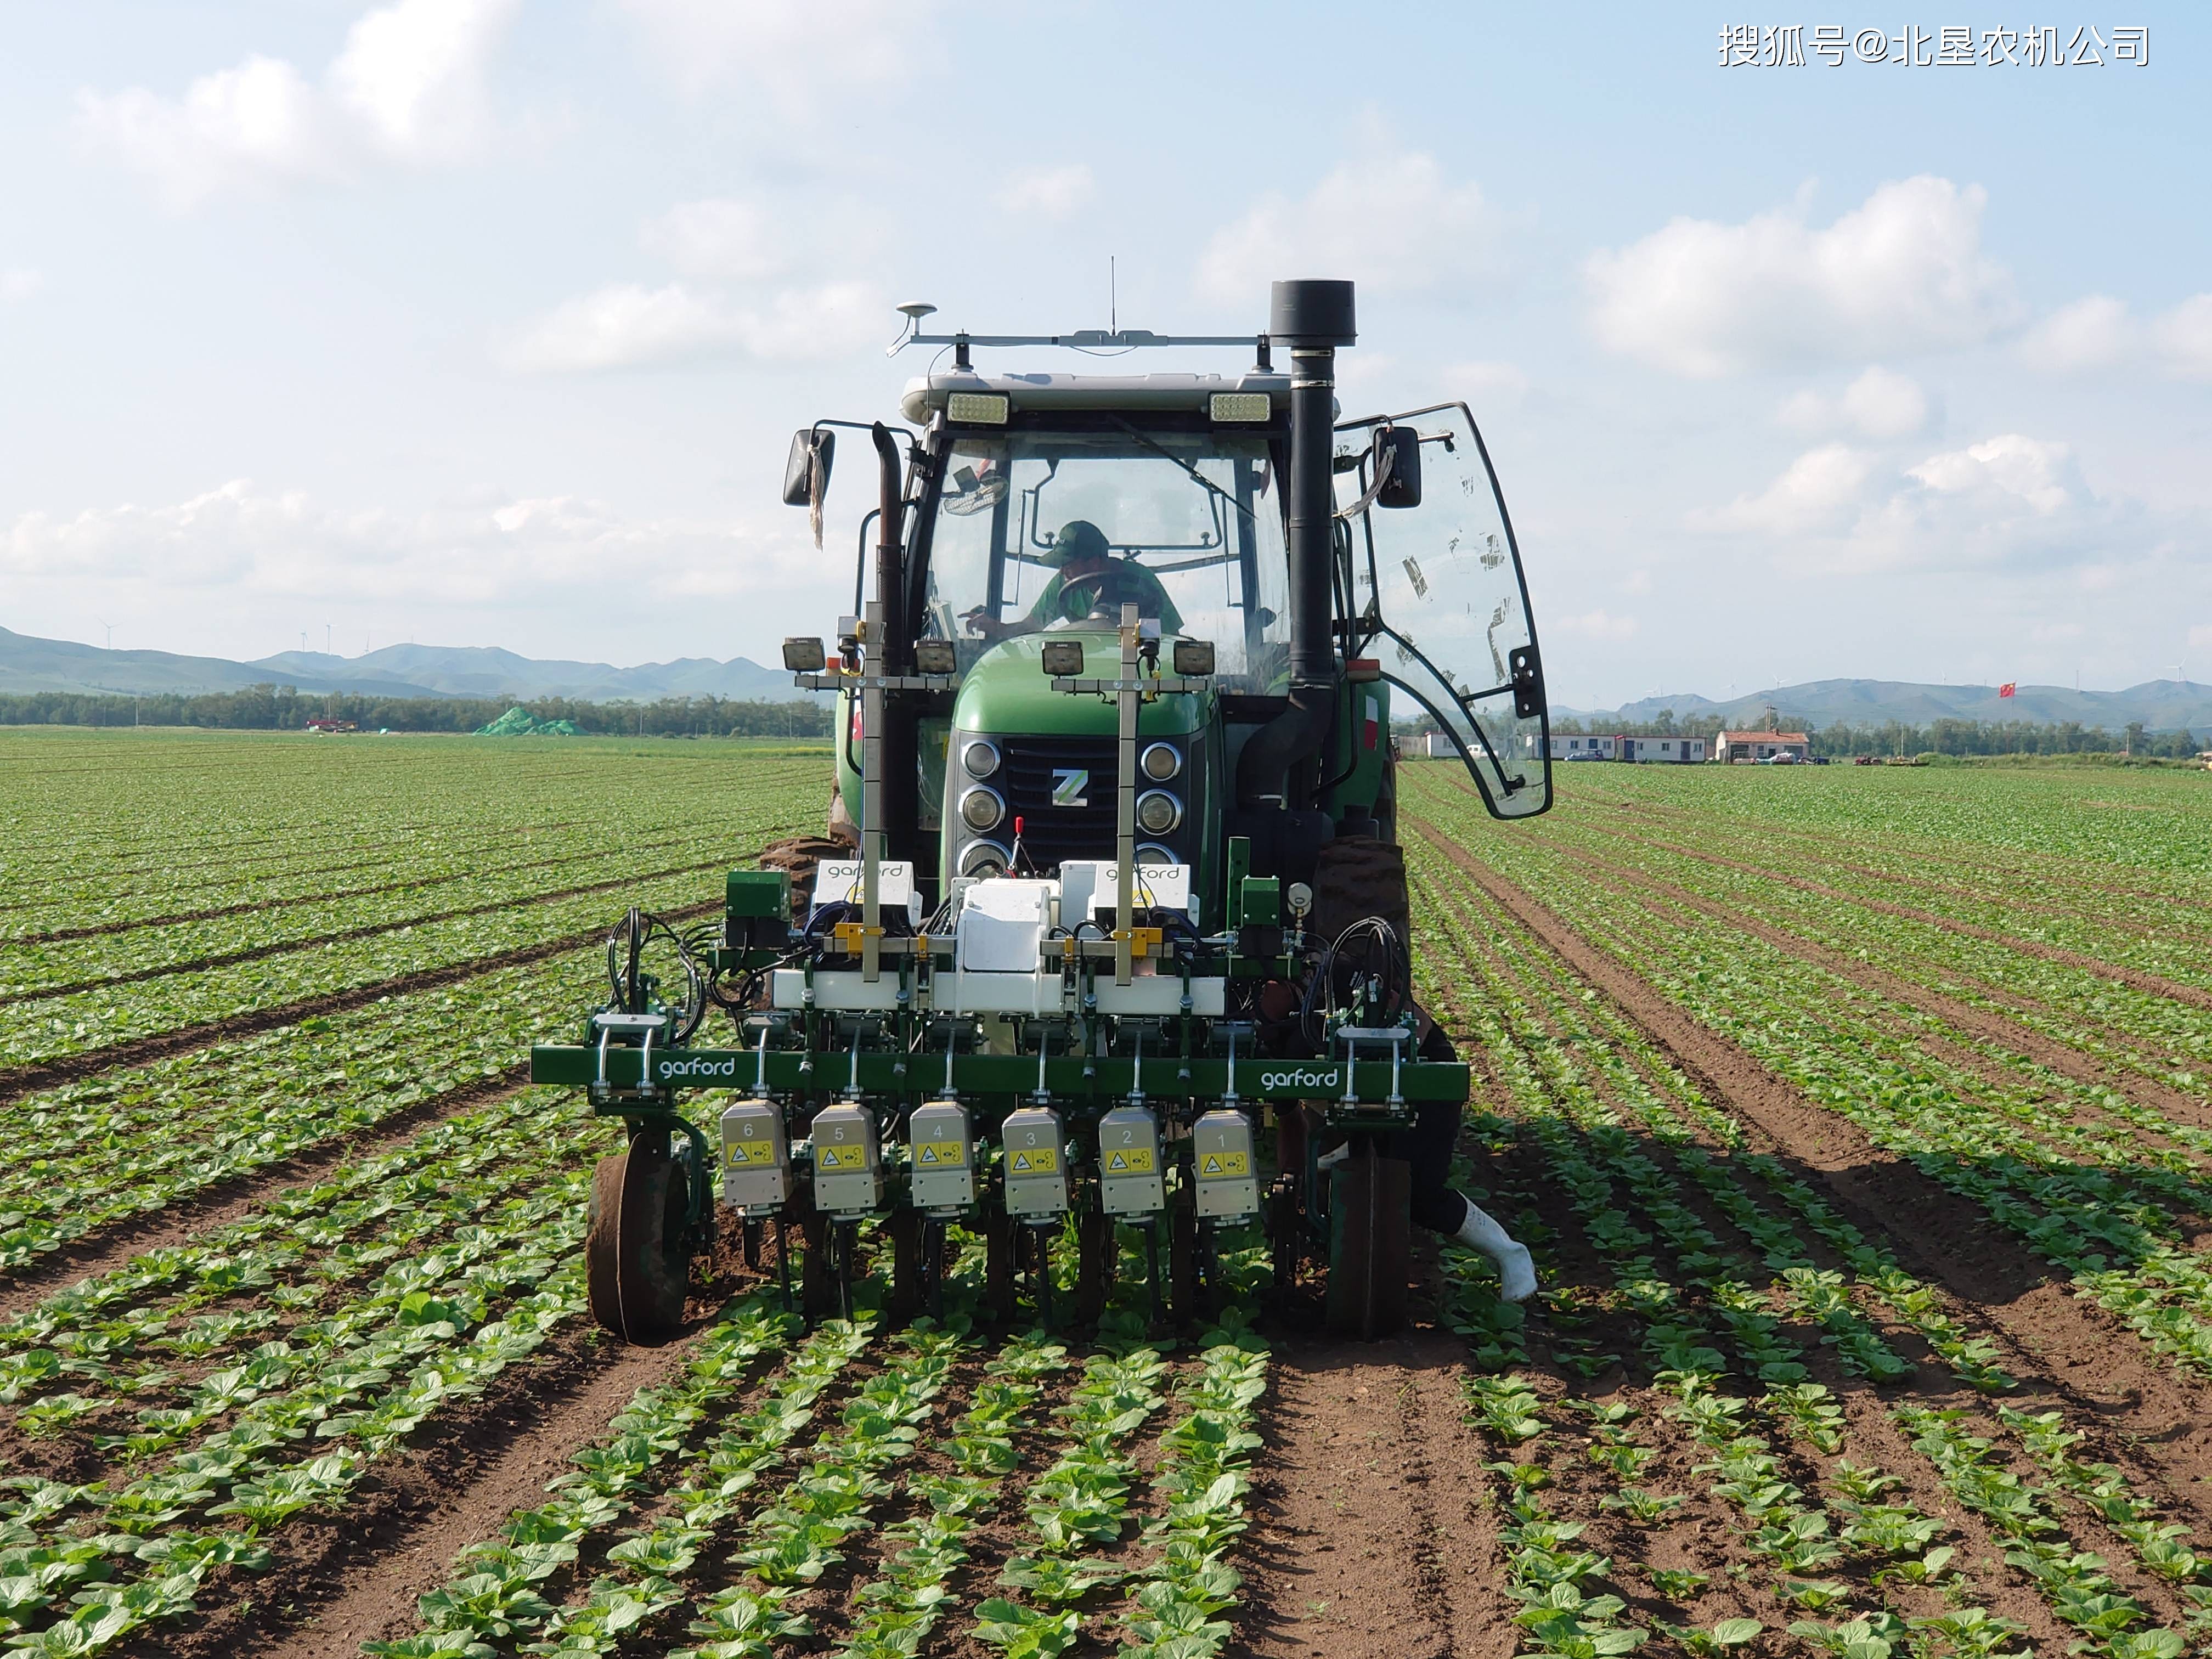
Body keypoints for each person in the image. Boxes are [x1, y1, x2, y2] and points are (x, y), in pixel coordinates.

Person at [964, 520, 1182, 642]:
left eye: (1068, 564)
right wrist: (994, 627)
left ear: (1095, 563)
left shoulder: (1141, 580)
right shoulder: (1063, 585)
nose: (1062, 571)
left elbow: (1169, 640)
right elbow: (1030, 627)